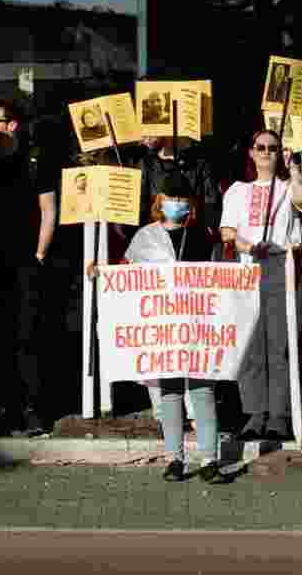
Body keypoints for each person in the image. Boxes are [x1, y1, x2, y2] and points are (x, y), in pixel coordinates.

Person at [89, 173, 225, 483]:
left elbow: (220, 275)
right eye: (170, 198)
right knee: (171, 393)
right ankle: (175, 458)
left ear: (189, 204)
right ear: (159, 201)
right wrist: (101, 271)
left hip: (196, 324)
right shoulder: (144, 237)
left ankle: (208, 459)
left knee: (203, 392)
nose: (175, 204)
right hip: (163, 328)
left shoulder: (203, 236)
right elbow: (126, 274)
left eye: (181, 199)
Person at [0, 98, 58, 436]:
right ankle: (1, 407)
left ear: (12, 124)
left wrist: (39, 254)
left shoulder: (35, 159)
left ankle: (31, 408)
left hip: (24, 260)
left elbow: (48, 209)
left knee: (26, 333)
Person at [220, 129, 302, 440]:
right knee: (251, 345)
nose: (266, 151)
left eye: (272, 147)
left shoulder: (287, 187)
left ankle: (279, 415)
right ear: (251, 151)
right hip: (247, 267)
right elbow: (228, 232)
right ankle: (255, 413)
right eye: (260, 146)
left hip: (279, 265)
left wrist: (294, 167)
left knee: (279, 345)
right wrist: (248, 247)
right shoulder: (237, 190)